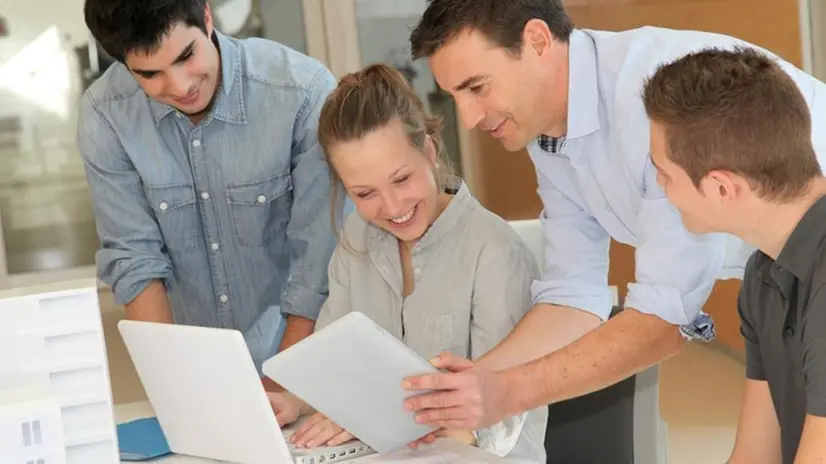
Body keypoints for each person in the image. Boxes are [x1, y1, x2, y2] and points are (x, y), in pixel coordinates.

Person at [399, 0, 826, 439]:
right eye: (454, 98)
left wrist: (506, 393)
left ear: (537, 41)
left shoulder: (658, 107)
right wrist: (463, 393)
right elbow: (573, 295)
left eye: (477, 88)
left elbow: (662, 322)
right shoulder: (545, 131)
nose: (468, 119)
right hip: (776, 277)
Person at [266, 63, 548, 462]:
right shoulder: (356, 237)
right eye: (365, 193)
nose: (393, 207)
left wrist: (370, 414)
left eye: (401, 179)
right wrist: (296, 399)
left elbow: (496, 418)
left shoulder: (495, 253)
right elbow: (333, 365)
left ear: (429, 151)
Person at [78, 0, 340, 378]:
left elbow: (320, 256)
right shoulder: (105, 116)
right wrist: (175, 384)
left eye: (187, 56)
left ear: (205, 16)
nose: (180, 85)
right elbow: (134, 258)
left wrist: (287, 384)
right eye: (151, 74)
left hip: (307, 362)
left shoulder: (301, 91)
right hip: (194, 370)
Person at [643, 48, 826, 464]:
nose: (659, 185)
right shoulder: (764, 271)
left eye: (665, 173)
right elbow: (755, 455)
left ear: (722, 189)